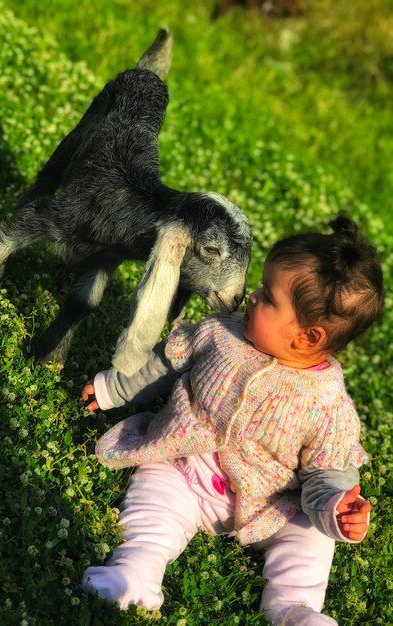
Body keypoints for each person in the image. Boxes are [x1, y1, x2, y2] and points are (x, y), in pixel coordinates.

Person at [81, 216, 383, 625]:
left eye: (269, 297)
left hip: (271, 504)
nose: (252, 297)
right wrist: (110, 388)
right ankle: (135, 572)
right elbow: (161, 368)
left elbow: (327, 471)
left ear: (308, 337)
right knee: (153, 504)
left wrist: (336, 505)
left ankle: (294, 610)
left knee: (310, 539)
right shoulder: (219, 335)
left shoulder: (328, 405)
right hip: (186, 469)